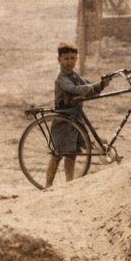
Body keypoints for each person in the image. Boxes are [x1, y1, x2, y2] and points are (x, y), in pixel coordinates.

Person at [48, 42, 107, 187]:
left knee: (71, 153)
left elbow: (88, 86)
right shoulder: (61, 77)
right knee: (57, 154)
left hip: (74, 119)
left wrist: (101, 84)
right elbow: (73, 89)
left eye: (73, 58)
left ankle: (69, 183)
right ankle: (47, 184)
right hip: (63, 119)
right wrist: (90, 87)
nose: (70, 62)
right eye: (66, 58)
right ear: (59, 59)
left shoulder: (74, 75)